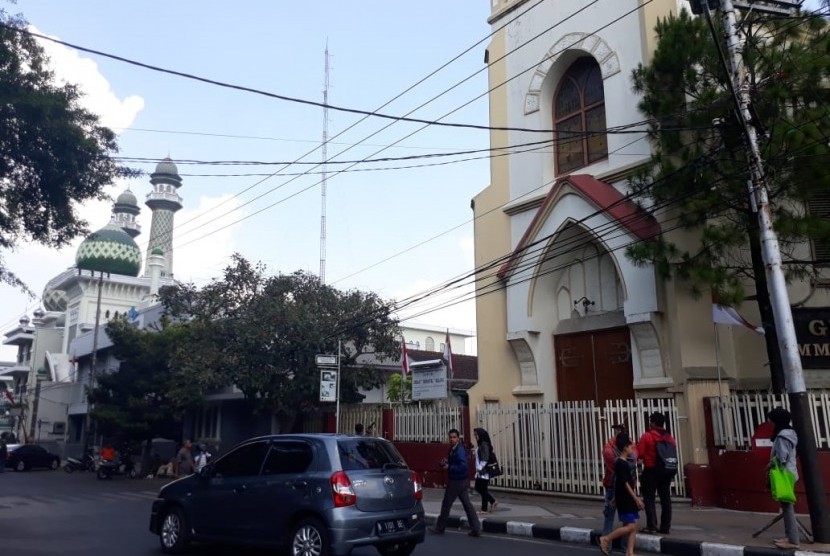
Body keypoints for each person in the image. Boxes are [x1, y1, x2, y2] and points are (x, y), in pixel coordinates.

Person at [430, 428, 482, 537]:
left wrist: (449, 467)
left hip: (456, 481)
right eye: (450, 437)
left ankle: (440, 527)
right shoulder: (453, 449)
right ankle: (476, 528)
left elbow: (463, 466)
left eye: (454, 437)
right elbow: (456, 462)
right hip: (461, 481)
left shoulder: (459, 450)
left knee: (446, 504)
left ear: (458, 438)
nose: (452, 439)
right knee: (467, 505)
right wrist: (446, 462)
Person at [599, 434, 644, 556]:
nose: (632, 449)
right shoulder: (620, 463)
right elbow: (625, 483)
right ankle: (606, 539)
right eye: (630, 446)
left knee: (633, 526)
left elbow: (619, 482)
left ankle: (629, 552)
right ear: (624, 448)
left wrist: (615, 497)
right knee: (630, 527)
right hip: (626, 498)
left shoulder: (622, 462)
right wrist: (636, 499)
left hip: (624, 496)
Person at [637, 412, 677, 534]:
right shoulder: (670, 437)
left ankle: (652, 526)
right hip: (666, 470)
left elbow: (640, 453)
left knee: (649, 498)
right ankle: (665, 527)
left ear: (653, 423)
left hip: (651, 470)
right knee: (666, 499)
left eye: (651, 421)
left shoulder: (647, 436)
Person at [766, 408, 800, 549]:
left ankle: (793, 541)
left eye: (772, 420)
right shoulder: (790, 434)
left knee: (787, 507)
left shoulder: (782, 436)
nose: (770, 423)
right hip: (789, 472)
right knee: (786, 506)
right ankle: (789, 537)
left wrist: (770, 465)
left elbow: (782, 458)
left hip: (784, 474)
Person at [602, 424, 638, 548]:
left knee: (609, 517)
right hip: (625, 487)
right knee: (627, 520)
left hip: (612, 486)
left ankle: (607, 544)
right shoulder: (630, 447)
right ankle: (623, 547)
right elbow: (633, 462)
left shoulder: (608, 448)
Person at [473, 427, 497, 513]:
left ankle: (485, 508)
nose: (475, 436)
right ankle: (492, 502)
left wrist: (479, 468)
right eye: (474, 434)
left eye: (476, 434)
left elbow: (485, 458)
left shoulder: (484, 444)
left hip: (483, 471)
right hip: (481, 471)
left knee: (481, 488)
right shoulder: (481, 444)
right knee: (481, 489)